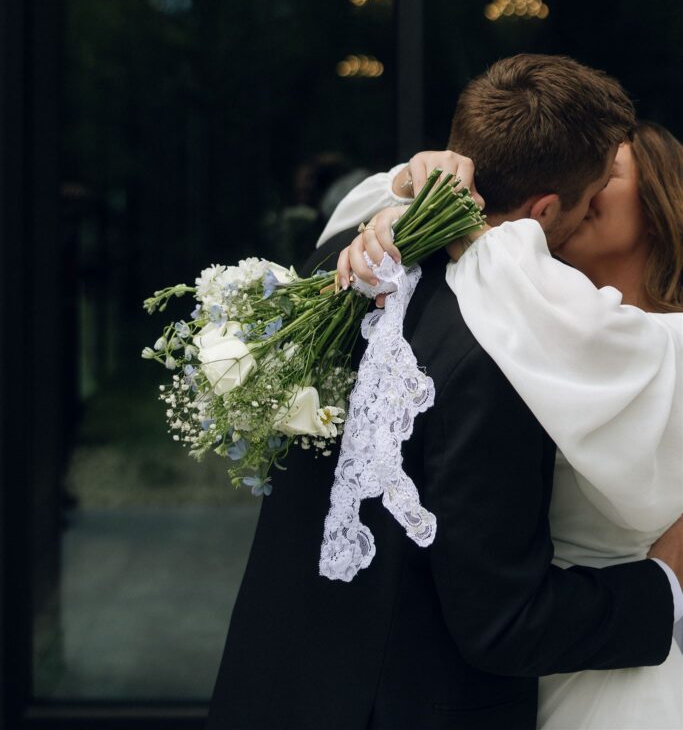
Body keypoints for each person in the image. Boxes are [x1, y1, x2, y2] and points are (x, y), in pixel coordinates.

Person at [206, 55, 683, 730]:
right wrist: (663, 585)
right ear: (547, 208)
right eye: (592, 191)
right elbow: (503, 622)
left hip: (273, 686)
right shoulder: (508, 349)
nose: (592, 206)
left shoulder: (343, 251)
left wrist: (409, 180)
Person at [328, 119, 683, 727]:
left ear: (660, 203)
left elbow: (511, 261)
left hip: (611, 656)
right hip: (506, 675)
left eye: (608, 175)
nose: (587, 190)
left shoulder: (634, 339)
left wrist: (439, 205)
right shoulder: (519, 318)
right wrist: (404, 201)